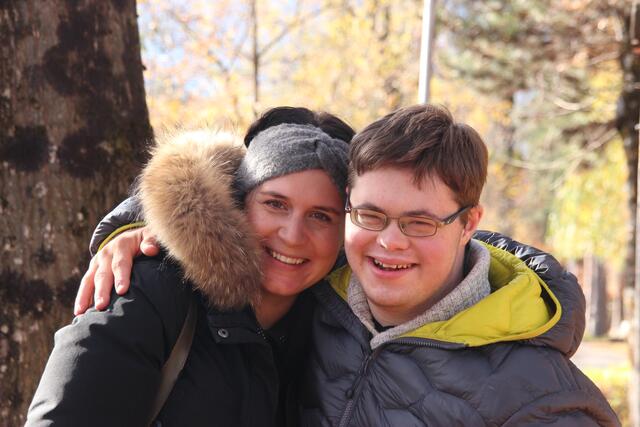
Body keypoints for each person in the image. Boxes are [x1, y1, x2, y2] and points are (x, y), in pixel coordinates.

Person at [66, 105, 617, 425]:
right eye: (370, 215)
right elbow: (273, 164)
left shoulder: (540, 398)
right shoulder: (325, 291)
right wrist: (137, 229)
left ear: (469, 223)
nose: (388, 245)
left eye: (420, 222)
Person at [26, 107, 354, 427]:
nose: (293, 236)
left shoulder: (338, 332)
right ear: (237, 203)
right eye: (275, 204)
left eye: (321, 216)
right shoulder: (150, 292)